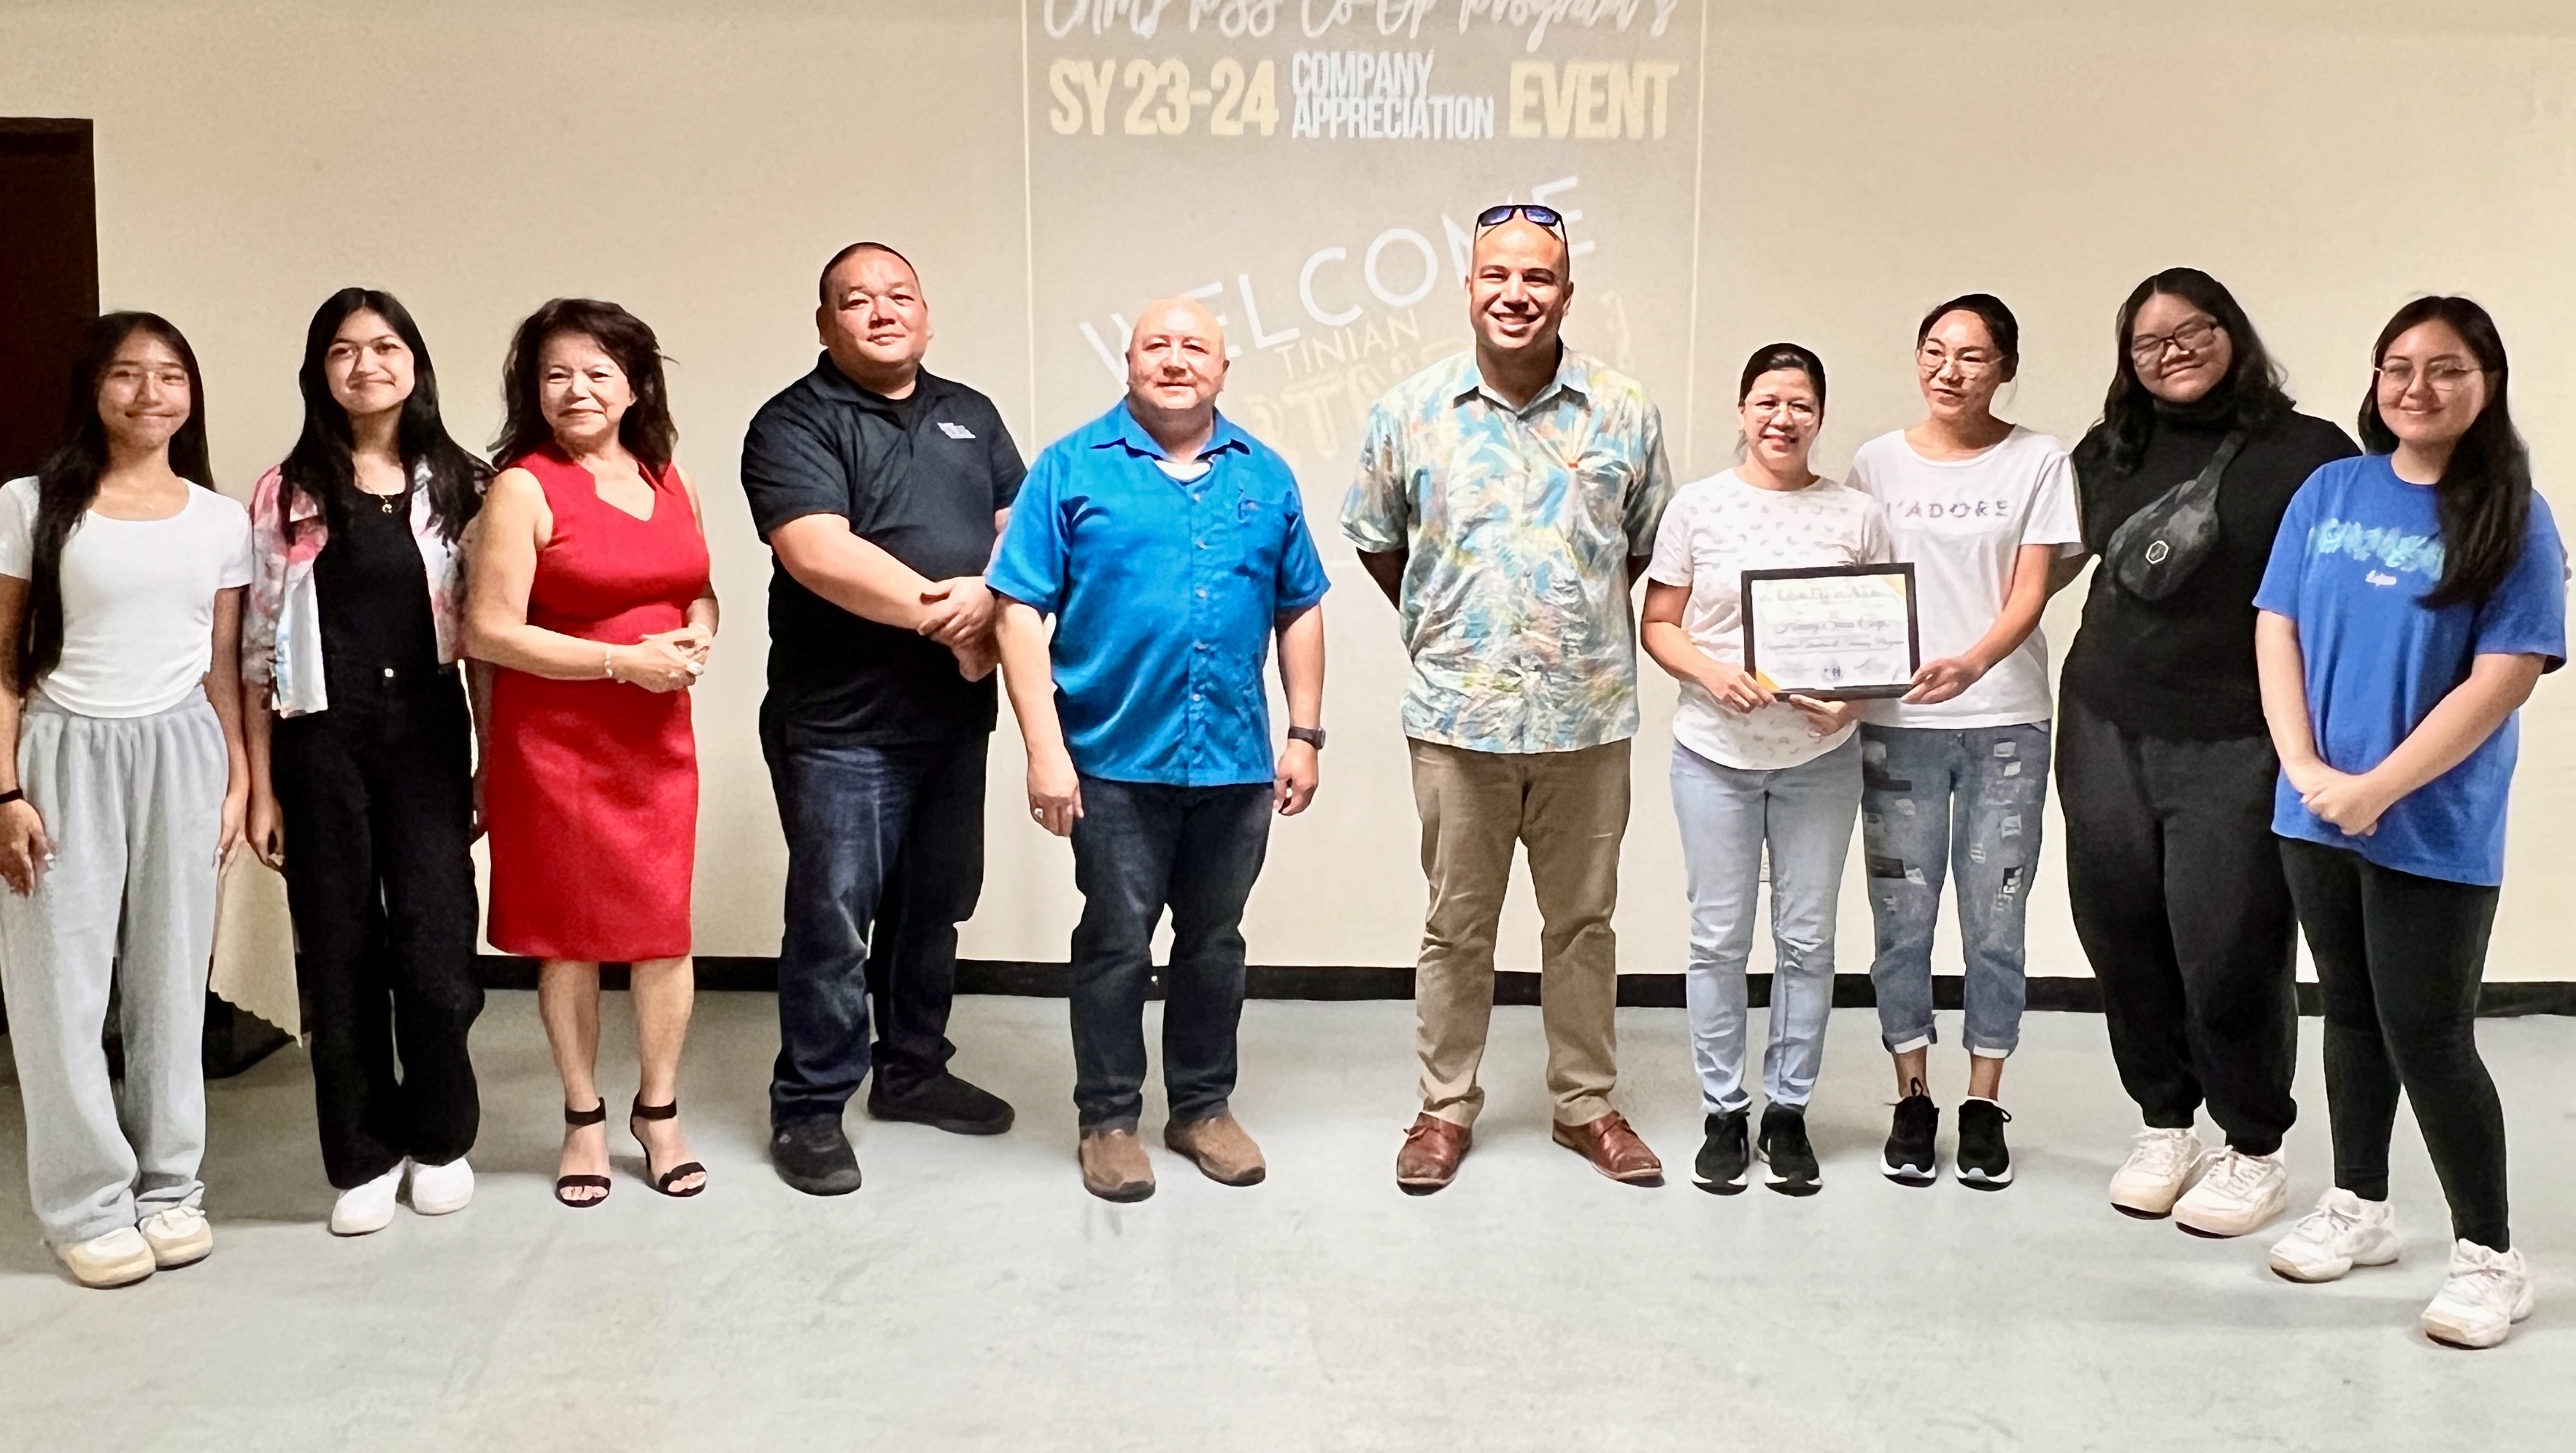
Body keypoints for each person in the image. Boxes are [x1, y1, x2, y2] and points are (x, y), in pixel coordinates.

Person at [1344, 202, 1675, 1194]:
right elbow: (1377, 538)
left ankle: (1584, 1103)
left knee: (1583, 922)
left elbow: (1649, 546)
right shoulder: (1408, 411)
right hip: (1457, 720)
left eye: (1536, 278)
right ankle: (1443, 1108)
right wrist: (1455, 624)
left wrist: (1570, 631)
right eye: (1497, 275)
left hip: (1586, 719)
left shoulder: (1623, 410)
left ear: (1566, 294)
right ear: (1469, 287)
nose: (1515, 293)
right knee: (1456, 924)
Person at [2253, 296, 2562, 1350]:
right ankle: (2359, 1205)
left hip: (2430, 818)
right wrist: (2302, 767)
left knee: (2427, 1031)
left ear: (2486, 385)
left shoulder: (2515, 515)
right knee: (2345, 1009)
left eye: (2444, 369)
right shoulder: (2328, 487)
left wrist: (2378, 783)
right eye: (2397, 367)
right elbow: (2276, 630)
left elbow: (2504, 676)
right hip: (2313, 806)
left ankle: (2488, 1254)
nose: (2416, 389)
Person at [990, 297, 1327, 1203]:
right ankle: (1106, 1119)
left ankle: (1200, 1109)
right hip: (1108, 760)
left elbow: (1299, 606)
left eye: (1195, 347)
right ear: (1127, 360)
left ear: (1223, 368)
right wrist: (1043, 750)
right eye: (1156, 346)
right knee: (1113, 943)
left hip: (1234, 763)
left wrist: (1303, 731)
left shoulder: (1265, 475)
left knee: (1213, 941)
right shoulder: (1069, 468)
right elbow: (1016, 610)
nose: (1175, 360)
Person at [2057, 269, 2358, 1233]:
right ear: (2126, 359)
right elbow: (2031, 561)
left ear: (2232, 331)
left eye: (2191, 330)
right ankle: (2162, 1120)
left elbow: (2360, 576)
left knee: (2227, 944)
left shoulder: (2308, 453)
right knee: (2120, 928)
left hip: (2239, 733)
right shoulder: (2108, 449)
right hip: (2104, 717)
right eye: (2148, 341)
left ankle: (2252, 1143)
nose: (2171, 350)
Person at [740, 242, 1025, 1198]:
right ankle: (811, 1107)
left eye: (898, 295)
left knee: (933, 906)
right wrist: (955, 620)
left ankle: (911, 1070)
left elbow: (1016, 528)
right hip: (839, 727)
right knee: (833, 921)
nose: (880, 311)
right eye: (854, 300)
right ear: (824, 324)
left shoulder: (969, 412)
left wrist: (993, 600)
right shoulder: (793, 422)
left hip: (952, 717)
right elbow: (817, 551)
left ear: (926, 312)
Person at [0, 313, 252, 1287]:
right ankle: (85, 1202)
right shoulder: (30, 503)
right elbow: (7, 661)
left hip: (183, 751)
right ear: (93, 389)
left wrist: (235, 779)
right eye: (127, 374)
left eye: (171, 374)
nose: (150, 393)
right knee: (60, 987)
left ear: (192, 393)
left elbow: (224, 665)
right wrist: (7, 787)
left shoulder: (219, 518)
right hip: (60, 751)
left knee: (169, 983)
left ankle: (168, 1187)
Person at [241, 288, 493, 1237]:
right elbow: (257, 647)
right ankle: (360, 1152)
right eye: (342, 350)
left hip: (427, 730)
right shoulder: (285, 488)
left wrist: (490, 759)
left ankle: (441, 1137)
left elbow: (485, 636)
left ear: (415, 363)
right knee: (339, 950)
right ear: (320, 371)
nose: (365, 364)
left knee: (434, 947)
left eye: (384, 346)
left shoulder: (462, 481)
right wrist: (260, 783)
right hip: (318, 733)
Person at [466, 298, 718, 1208]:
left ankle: (659, 1110)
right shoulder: (522, 487)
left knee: (661, 933)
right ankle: (581, 1113)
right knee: (566, 941)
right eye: (555, 373)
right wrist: (623, 661)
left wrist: (696, 634)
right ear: (533, 390)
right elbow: (488, 631)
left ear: (634, 384)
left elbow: (698, 589)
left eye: (597, 371)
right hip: (556, 744)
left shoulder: (668, 476)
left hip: (656, 740)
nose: (576, 389)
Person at [1845, 293, 2081, 1191]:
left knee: (1994, 920)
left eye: (1973, 356)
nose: (1950, 370)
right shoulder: (1874, 462)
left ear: (2005, 368)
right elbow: (1852, 587)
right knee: (1900, 924)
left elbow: (2032, 589)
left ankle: (1982, 1099)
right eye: (1935, 351)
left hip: (2005, 721)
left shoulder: (2038, 459)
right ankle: (1911, 1091)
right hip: (1896, 724)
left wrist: (1975, 661)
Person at [1641, 344, 1889, 1196]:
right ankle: (1722, 1109)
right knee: (1716, 938)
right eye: (1766, 401)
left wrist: (1850, 703)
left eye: (1800, 404)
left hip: (1819, 759)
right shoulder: (1697, 507)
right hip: (1714, 754)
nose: (1782, 418)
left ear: (1819, 416)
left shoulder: (1854, 515)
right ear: (1741, 410)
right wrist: (1711, 674)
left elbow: (1878, 637)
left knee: (1807, 938)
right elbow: (1660, 621)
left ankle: (1787, 1109)